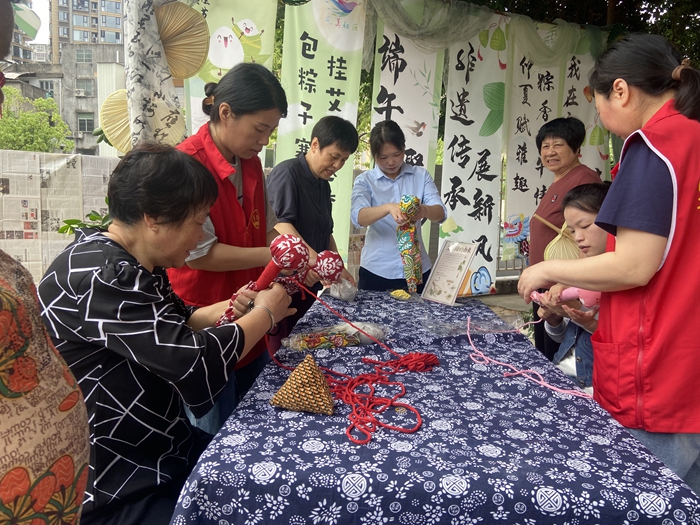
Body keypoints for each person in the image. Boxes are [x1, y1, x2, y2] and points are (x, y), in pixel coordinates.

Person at [37, 143, 294, 524]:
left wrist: (234, 306)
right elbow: (191, 361)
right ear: (154, 218)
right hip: (117, 478)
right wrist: (265, 315)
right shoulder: (101, 275)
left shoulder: (126, 261)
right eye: (198, 223)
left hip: (161, 448)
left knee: (264, 471)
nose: (199, 237)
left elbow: (177, 322)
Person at [518, 33, 700, 493]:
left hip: (658, 371)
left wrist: (546, 269)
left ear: (620, 90)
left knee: (644, 499)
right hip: (688, 362)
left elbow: (634, 265)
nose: (601, 118)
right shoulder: (693, 138)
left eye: (597, 105)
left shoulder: (654, 146)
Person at [167, 62, 288, 428]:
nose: (264, 141)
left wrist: (292, 252)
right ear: (225, 113)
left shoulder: (250, 163)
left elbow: (267, 228)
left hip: (249, 311)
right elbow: (200, 254)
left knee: (255, 423)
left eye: (270, 132)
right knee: (211, 432)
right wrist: (275, 255)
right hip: (206, 316)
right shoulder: (187, 165)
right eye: (260, 129)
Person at [266, 116, 358, 351]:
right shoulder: (288, 173)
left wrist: (337, 266)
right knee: (284, 349)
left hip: (311, 283)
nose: (337, 165)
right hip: (285, 285)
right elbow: (280, 226)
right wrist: (317, 263)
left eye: (344, 160)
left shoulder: (323, 185)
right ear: (315, 144)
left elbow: (327, 232)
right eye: (334, 156)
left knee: (308, 346)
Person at [529, 117, 601, 361]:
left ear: (576, 148)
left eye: (558, 145)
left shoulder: (584, 178)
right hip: (547, 284)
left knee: (560, 355)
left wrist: (565, 283)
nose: (550, 152)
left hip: (563, 288)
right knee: (546, 349)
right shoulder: (559, 179)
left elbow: (592, 237)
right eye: (545, 146)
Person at [350, 120, 446, 293]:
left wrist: (424, 210)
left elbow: (440, 213)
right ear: (374, 155)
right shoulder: (365, 181)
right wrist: (388, 208)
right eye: (383, 157)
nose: (391, 162)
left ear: (404, 148)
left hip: (418, 269)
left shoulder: (420, 176)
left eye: (396, 154)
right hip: (377, 271)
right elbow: (358, 217)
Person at [536, 182, 610, 395]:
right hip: (560, 373)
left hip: (591, 388)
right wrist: (554, 319)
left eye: (585, 226)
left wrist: (581, 317)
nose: (578, 237)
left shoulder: (623, 279)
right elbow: (565, 339)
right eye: (572, 231)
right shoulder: (581, 275)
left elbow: (616, 341)